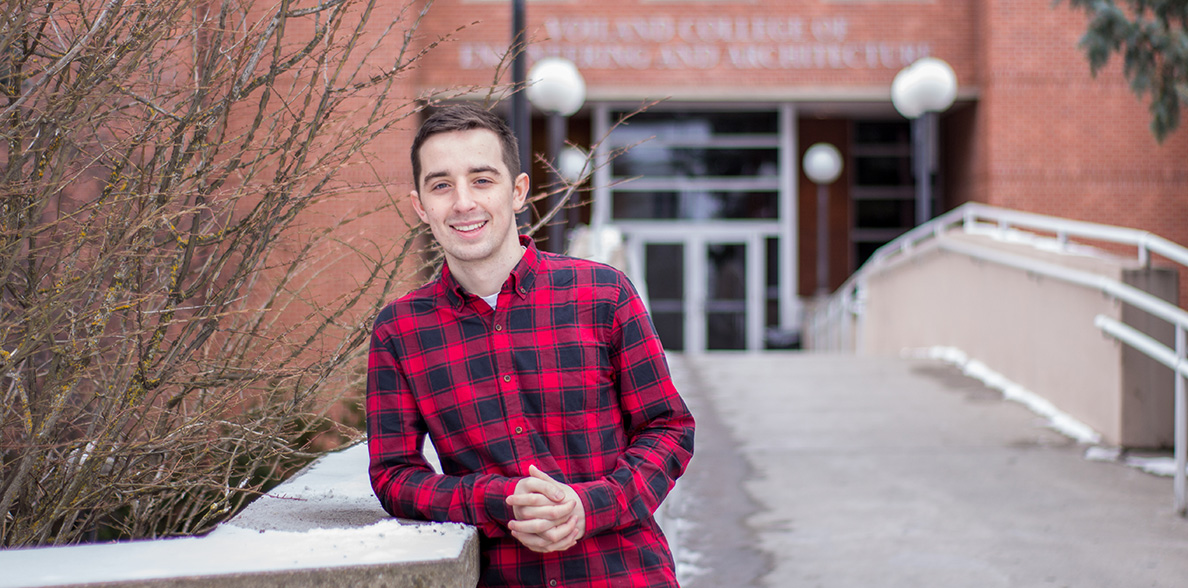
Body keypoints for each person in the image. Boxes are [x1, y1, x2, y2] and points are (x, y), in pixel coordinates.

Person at [366, 103, 696, 587]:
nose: (462, 202)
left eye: (482, 179)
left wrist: (589, 506)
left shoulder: (602, 294)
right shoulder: (400, 331)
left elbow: (669, 428)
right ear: (420, 206)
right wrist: (498, 500)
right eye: (441, 185)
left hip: (624, 574)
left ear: (517, 191)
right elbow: (394, 475)